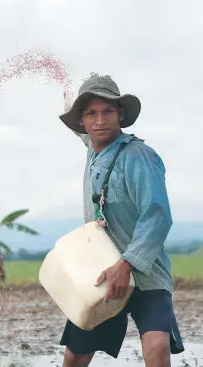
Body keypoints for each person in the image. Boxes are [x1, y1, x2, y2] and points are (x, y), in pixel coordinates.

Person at [58, 73, 184, 367]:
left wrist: (126, 264)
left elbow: (158, 216)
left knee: (156, 350)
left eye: (107, 112)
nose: (100, 120)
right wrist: (65, 94)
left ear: (121, 114)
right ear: (82, 122)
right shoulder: (92, 147)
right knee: (75, 356)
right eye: (91, 113)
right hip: (101, 271)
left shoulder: (139, 156)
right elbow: (81, 135)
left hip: (144, 271)